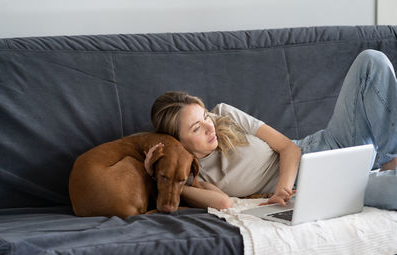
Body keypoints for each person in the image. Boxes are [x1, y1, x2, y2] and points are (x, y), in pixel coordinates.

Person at [144, 49, 397, 211]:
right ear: (179, 141)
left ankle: (389, 156)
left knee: (371, 61)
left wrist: (281, 189)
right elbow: (222, 202)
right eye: (197, 127)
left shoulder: (223, 113)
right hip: (318, 183)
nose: (210, 126)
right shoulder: (193, 176)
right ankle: (382, 166)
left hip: (329, 143)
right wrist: (161, 177)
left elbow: (289, 147)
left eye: (205, 116)